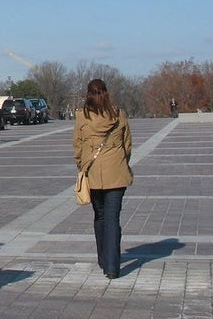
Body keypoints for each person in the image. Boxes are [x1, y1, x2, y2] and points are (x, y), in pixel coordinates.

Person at [73, 78, 133, 280]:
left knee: (99, 215)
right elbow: (127, 145)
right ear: (106, 93)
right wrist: (120, 161)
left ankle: (103, 258)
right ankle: (112, 266)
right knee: (113, 218)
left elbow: (78, 146)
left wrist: (82, 165)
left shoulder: (83, 116)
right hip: (117, 172)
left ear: (88, 94)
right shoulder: (119, 114)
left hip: (94, 172)